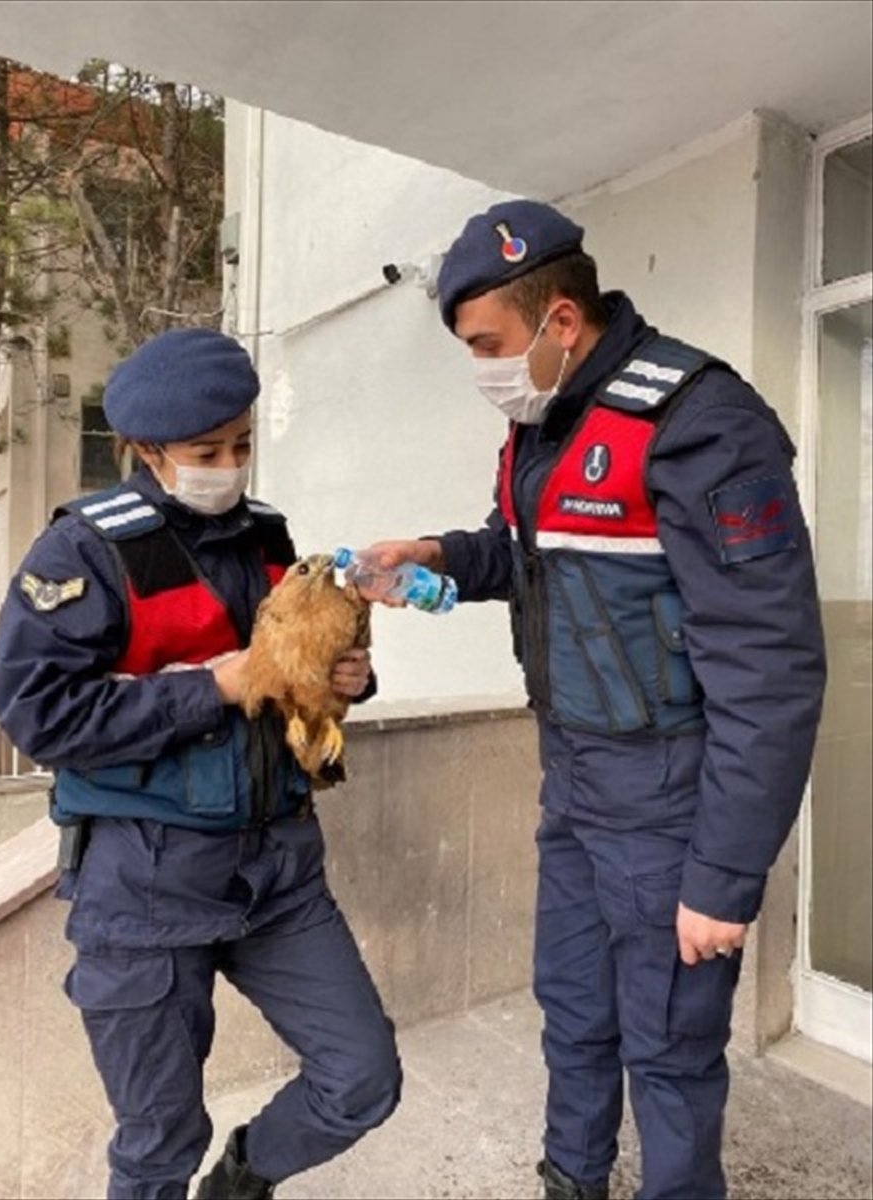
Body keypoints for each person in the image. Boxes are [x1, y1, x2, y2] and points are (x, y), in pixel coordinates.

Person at [363, 200, 826, 1200]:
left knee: (667, 1051)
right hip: (572, 778)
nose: (482, 369)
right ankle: (570, 1181)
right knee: (573, 1012)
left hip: (666, 795)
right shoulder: (544, 420)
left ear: (561, 321)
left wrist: (723, 875)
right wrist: (437, 555)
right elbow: (521, 552)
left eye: (489, 346)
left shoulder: (700, 422)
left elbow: (771, 667)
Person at [0, 327, 401, 1200]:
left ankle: (243, 1181)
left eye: (243, 444)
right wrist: (211, 689)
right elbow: (39, 716)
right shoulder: (83, 553)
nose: (230, 463)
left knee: (363, 1077)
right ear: (146, 452)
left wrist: (345, 680)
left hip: (276, 875)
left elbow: (294, 666)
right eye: (206, 451)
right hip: (145, 885)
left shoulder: (265, 536)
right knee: (158, 1143)